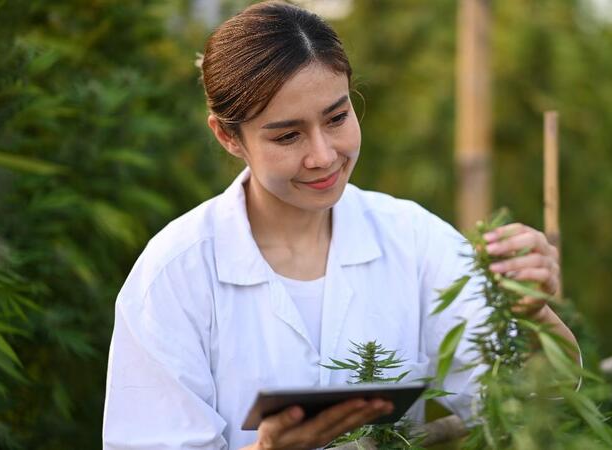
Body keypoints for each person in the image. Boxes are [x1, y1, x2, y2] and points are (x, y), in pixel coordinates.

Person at [102, 2, 577, 449]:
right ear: (228, 136)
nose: (324, 155)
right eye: (288, 135)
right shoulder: (175, 275)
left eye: (337, 117)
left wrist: (533, 316)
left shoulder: (414, 240)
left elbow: (529, 401)